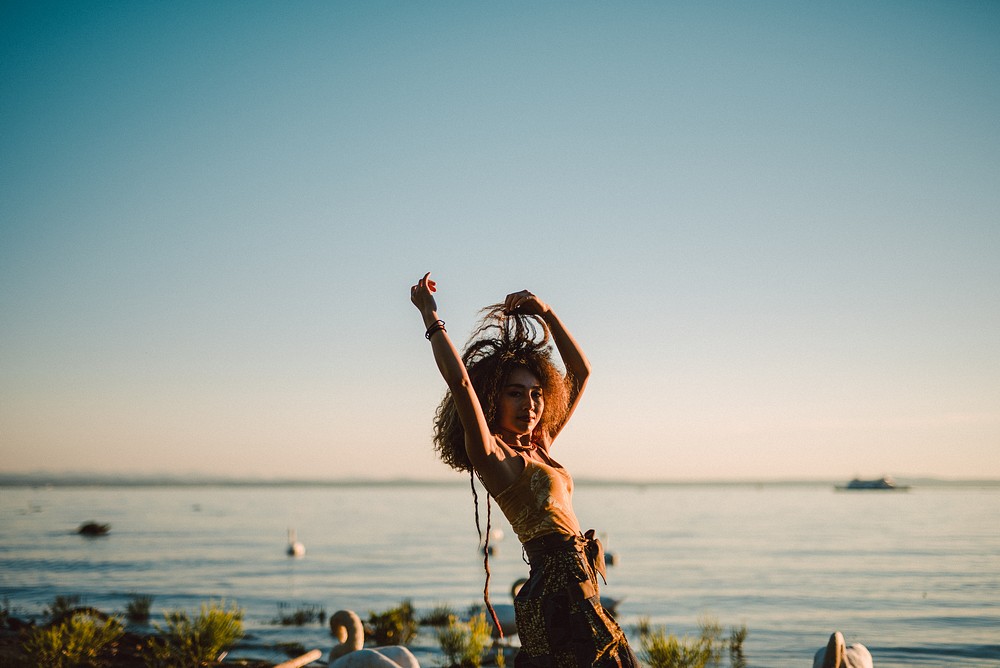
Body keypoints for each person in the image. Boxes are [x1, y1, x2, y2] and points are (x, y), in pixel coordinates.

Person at [410, 273, 638, 668]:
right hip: (554, 599)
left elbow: (580, 373)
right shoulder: (493, 457)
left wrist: (546, 313)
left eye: (536, 394)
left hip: (579, 590)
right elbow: (461, 384)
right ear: (493, 399)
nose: (529, 404)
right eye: (515, 393)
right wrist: (431, 318)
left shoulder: (541, 444)